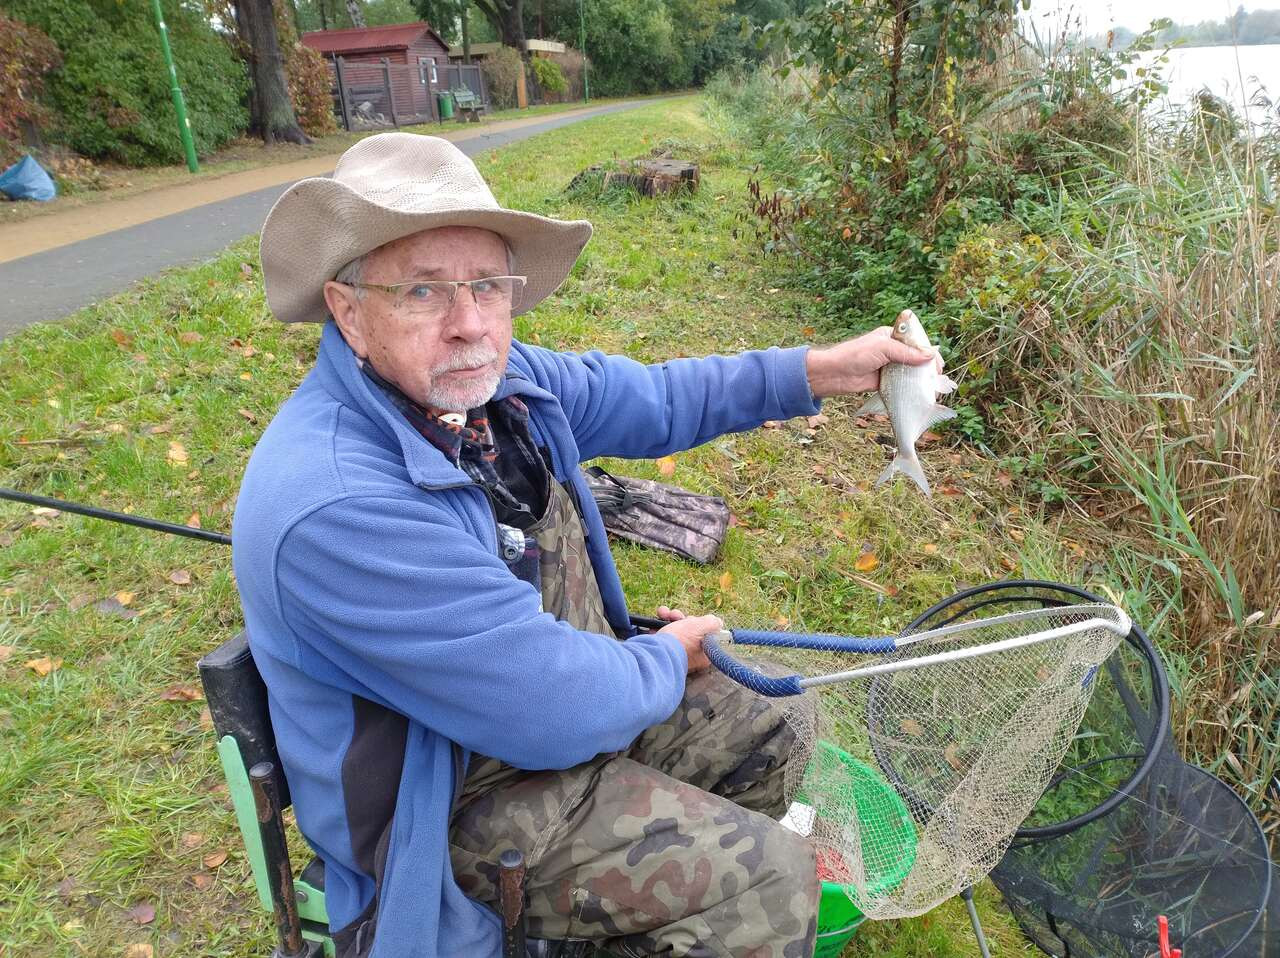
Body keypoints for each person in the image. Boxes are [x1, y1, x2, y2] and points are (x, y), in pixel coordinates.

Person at [233, 132, 940, 958]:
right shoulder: (337, 504)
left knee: (776, 722)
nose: (470, 325)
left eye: (488, 286)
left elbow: (653, 398)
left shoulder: (504, 390)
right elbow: (553, 707)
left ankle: (644, 918)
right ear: (349, 311)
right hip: (448, 804)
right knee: (768, 880)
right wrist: (665, 658)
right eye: (423, 291)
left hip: (550, 706)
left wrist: (822, 370)